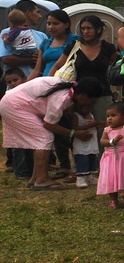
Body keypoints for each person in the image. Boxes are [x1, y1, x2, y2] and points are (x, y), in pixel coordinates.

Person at [0, 76, 103, 190]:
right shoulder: (62, 98)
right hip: (14, 105)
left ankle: (35, 178)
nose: (90, 104)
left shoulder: (68, 89)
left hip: (14, 103)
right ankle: (42, 180)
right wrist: (73, 133)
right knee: (44, 138)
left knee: (39, 140)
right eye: (92, 101)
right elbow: (49, 125)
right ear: (83, 96)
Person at [28, 9, 78, 175]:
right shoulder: (46, 43)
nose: (51, 27)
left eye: (55, 23)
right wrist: (26, 86)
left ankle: (79, 163)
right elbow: (37, 69)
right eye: (49, 23)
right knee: (53, 125)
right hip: (46, 88)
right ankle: (64, 165)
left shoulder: (74, 41)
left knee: (65, 124)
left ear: (66, 25)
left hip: (65, 87)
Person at [50, 15, 117, 131]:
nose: (85, 32)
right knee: (81, 130)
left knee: (104, 129)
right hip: (79, 97)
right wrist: (50, 86)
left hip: (102, 95)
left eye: (89, 28)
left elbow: (114, 67)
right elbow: (57, 66)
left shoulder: (108, 48)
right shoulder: (73, 47)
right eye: (83, 28)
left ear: (98, 29)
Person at [1, 0, 47, 77]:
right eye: (37, 12)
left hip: (36, 83)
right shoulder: (7, 32)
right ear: (28, 13)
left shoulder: (42, 36)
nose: (40, 16)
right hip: (16, 84)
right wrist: (32, 59)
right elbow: (5, 59)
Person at [71, 99, 100, 188]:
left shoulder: (91, 115)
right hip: (81, 142)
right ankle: (80, 178)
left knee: (91, 158)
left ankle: (88, 177)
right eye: (85, 108)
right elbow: (74, 128)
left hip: (91, 141)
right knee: (82, 159)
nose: (87, 110)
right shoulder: (76, 116)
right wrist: (90, 125)